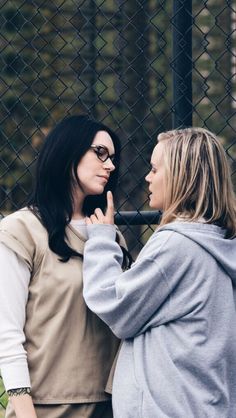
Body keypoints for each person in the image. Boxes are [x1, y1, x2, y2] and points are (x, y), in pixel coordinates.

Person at [82, 127, 236, 418]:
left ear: (182, 177)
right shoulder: (220, 243)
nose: (147, 177)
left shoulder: (177, 245)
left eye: (155, 169)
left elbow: (114, 304)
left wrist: (102, 239)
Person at [0, 114, 129, 418]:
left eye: (112, 158)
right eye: (100, 153)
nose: (109, 165)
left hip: (112, 405)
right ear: (67, 152)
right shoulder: (22, 230)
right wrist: (24, 410)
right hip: (44, 407)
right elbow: (7, 333)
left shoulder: (110, 235)